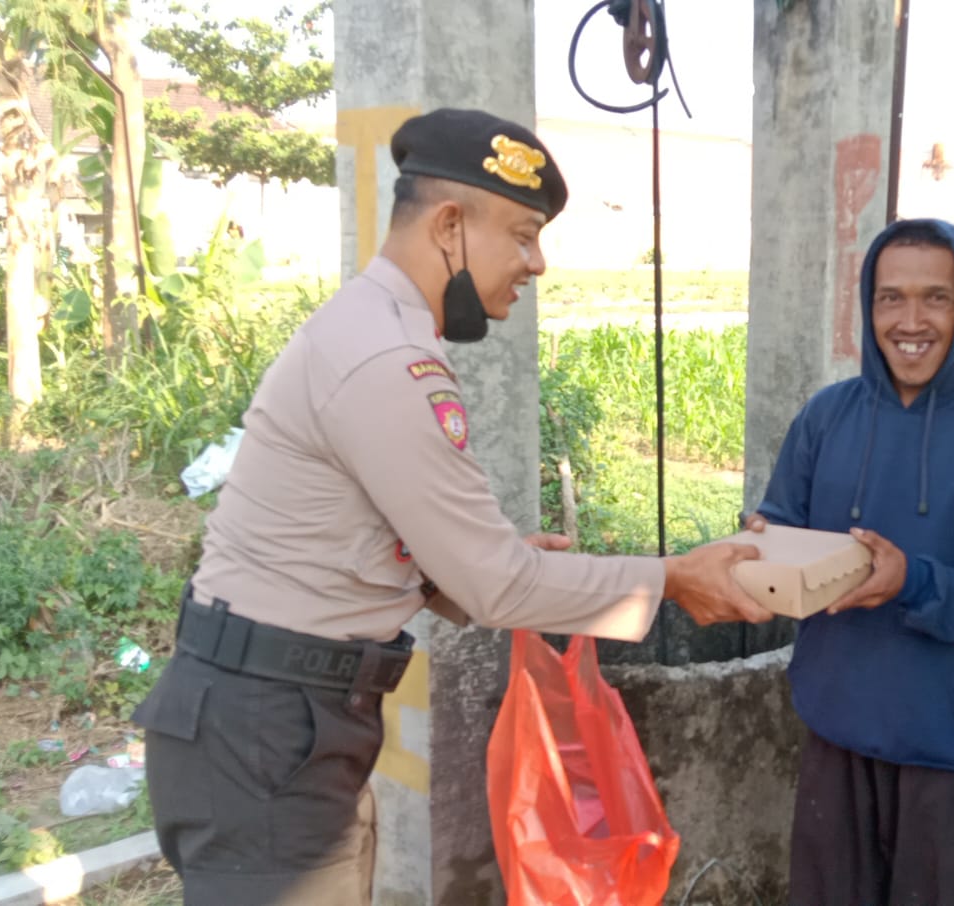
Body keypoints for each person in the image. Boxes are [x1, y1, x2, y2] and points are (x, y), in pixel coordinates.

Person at [130, 108, 772, 906]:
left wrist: (481, 567)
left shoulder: (380, 331)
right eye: (523, 234)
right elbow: (496, 586)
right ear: (448, 226)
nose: (534, 263)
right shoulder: (387, 360)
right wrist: (673, 578)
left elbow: (393, 549)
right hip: (269, 727)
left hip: (278, 714)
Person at [746, 218, 954, 905]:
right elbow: (783, 521)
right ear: (869, 307)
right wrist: (762, 544)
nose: (908, 320)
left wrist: (911, 581)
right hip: (838, 725)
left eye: (935, 298)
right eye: (890, 298)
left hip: (949, 739)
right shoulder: (827, 417)